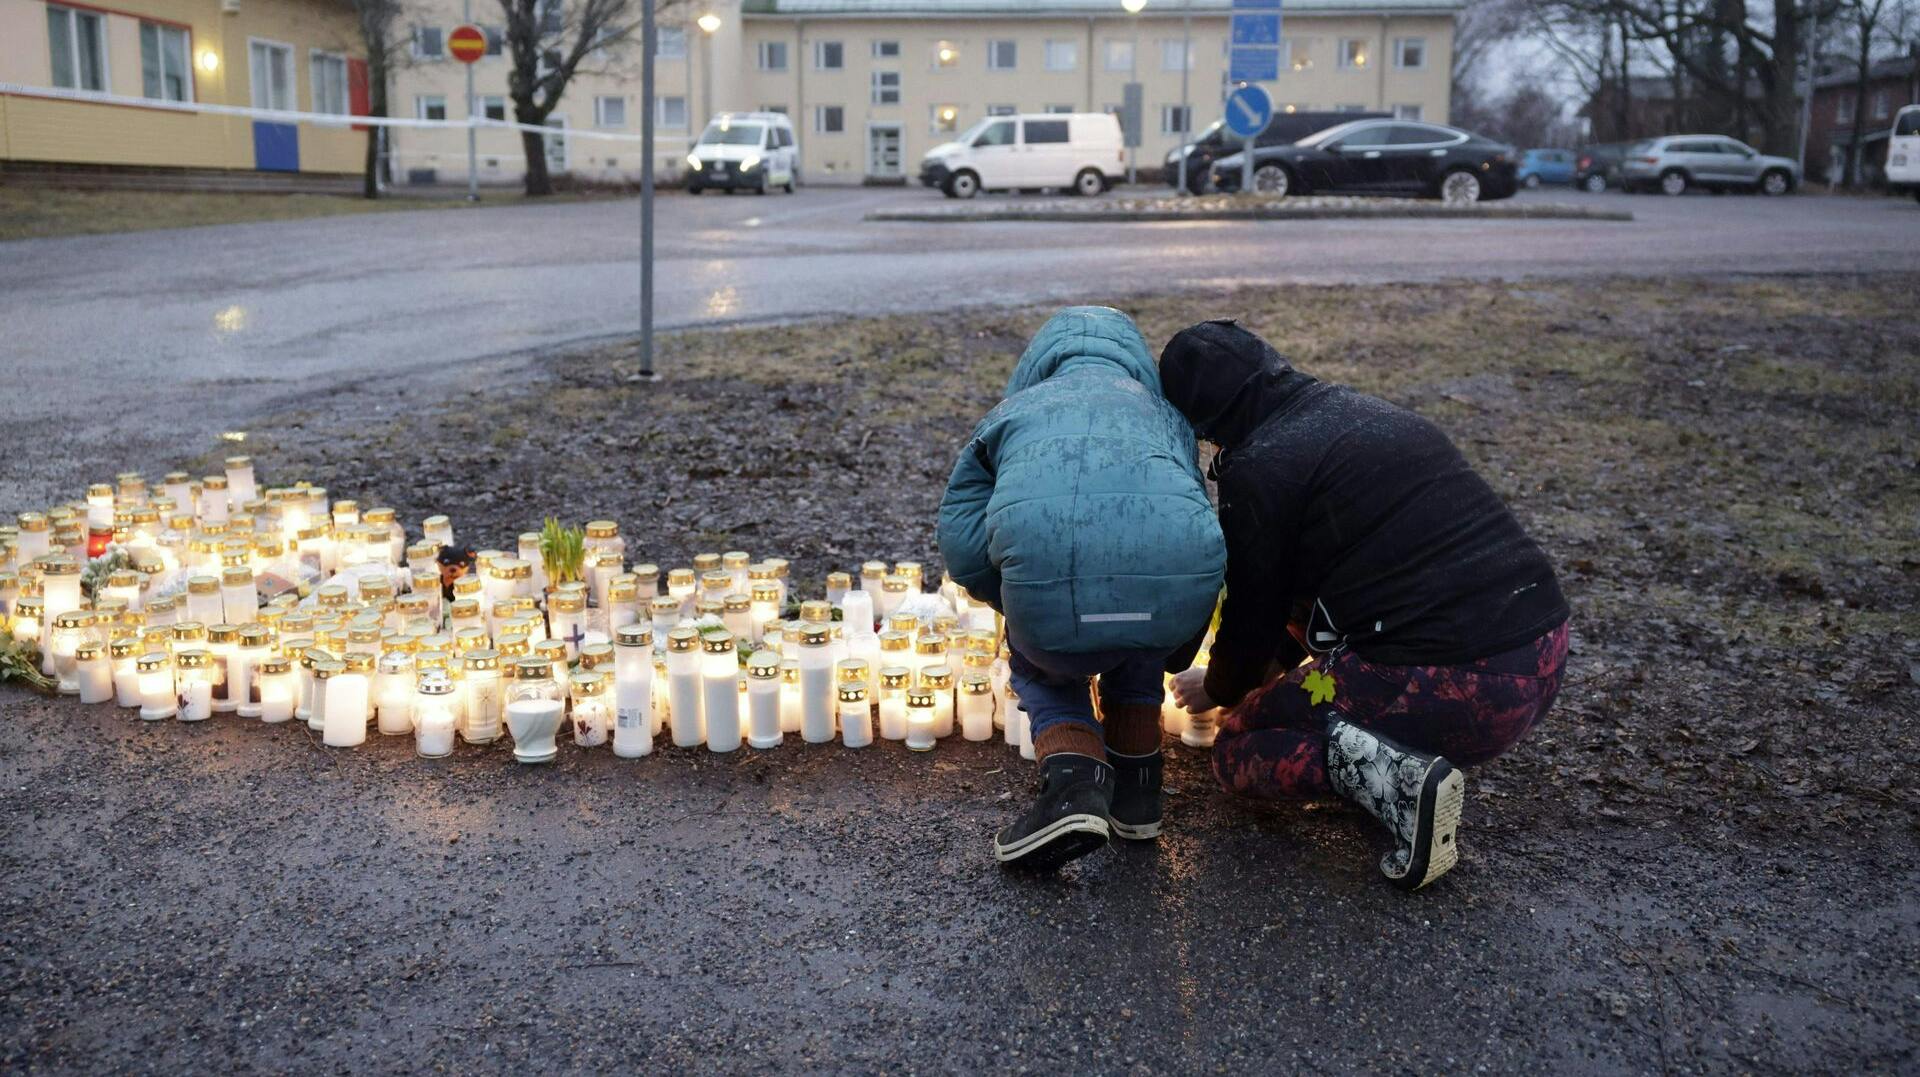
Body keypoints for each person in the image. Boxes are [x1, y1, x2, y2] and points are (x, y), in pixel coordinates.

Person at [1159, 320, 1569, 891]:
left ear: (1201, 420)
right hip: (1542, 651)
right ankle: (1389, 758)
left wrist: (1225, 689)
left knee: (1239, 748)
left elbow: (1255, 612)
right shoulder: (1356, 412)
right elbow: (1290, 603)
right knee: (1298, 680)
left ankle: (1398, 783)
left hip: (1457, 682)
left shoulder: (1262, 465)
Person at [939, 307, 1226, 872]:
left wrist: (1015, 600)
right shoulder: (1168, 416)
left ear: (1039, 362)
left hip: (1053, 617)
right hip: (1169, 616)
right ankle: (1138, 791)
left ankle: (1075, 785)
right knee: (1136, 639)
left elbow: (962, 539)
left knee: (1041, 665)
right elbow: (1187, 516)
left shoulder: (1010, 413)